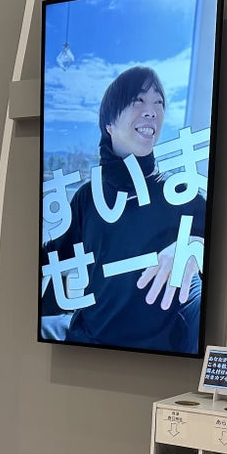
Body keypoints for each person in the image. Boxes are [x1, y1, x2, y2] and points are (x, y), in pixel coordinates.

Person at [41, 66, 206, 354]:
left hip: (158, 356)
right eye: (138, 100)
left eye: (158, 102)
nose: (151, 111)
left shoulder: (182, 193)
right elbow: (54, 257)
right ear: (109, 124)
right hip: (85, 344)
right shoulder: (88, 196)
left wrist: (195, 245)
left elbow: (223, 252)